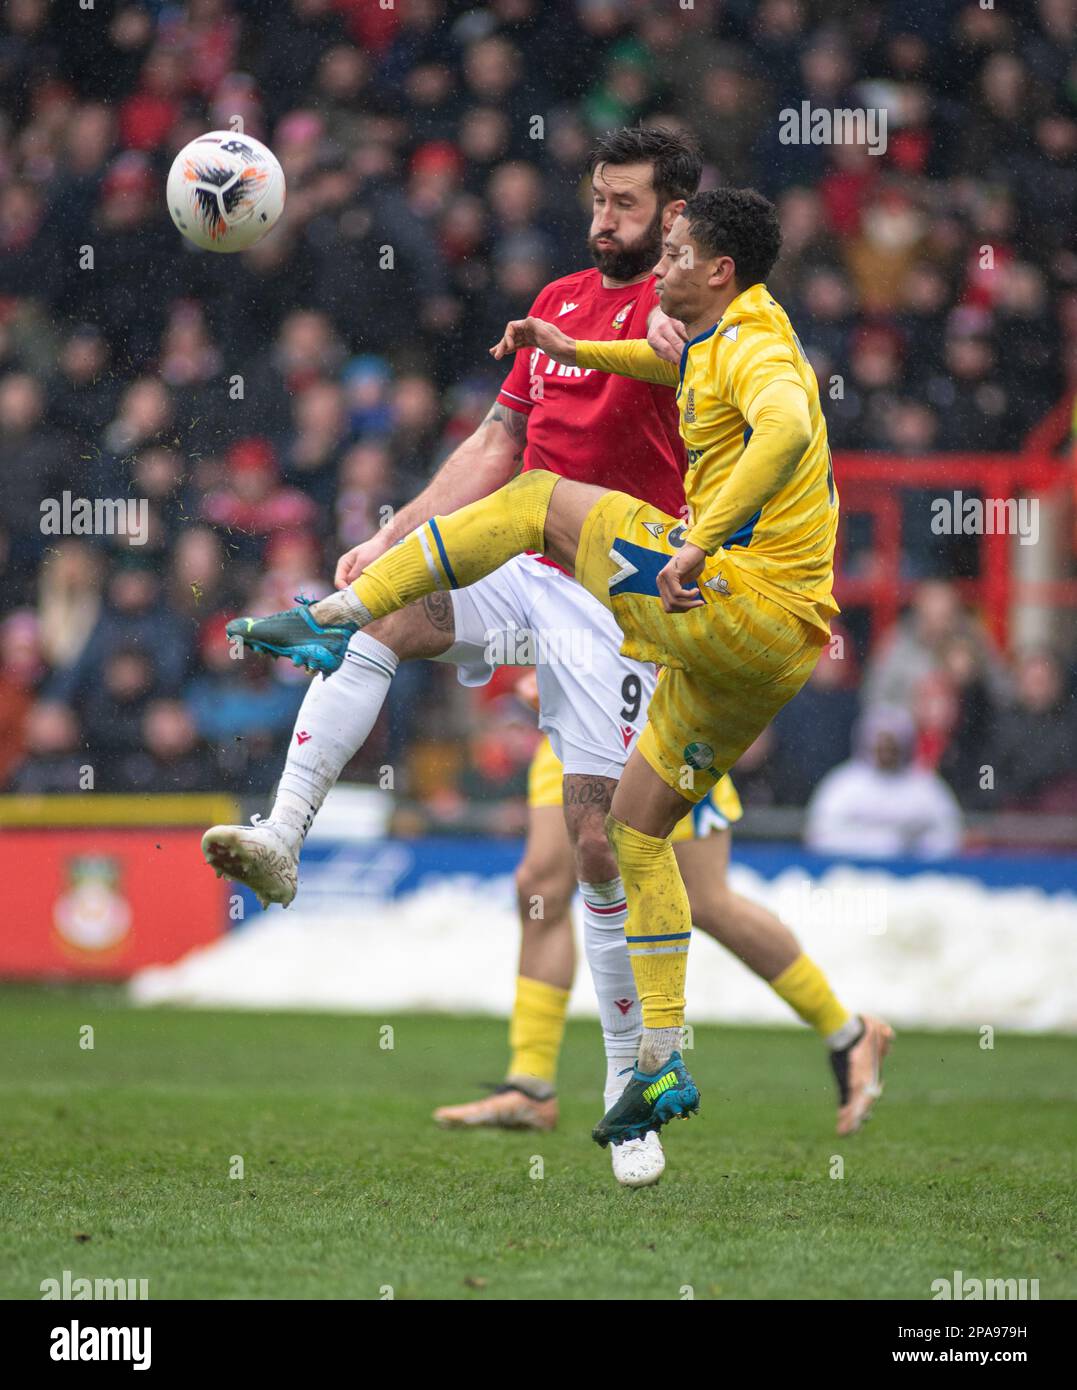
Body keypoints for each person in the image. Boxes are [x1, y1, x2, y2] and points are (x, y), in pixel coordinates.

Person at [207, 166, 892, 1161]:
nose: (621, 233)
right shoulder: (623, 316)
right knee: (623, 836)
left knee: (540, 511)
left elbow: (781, 421)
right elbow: (512, 431)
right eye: (602, 204)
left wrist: (702, 543)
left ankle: (814, 1033)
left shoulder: (733, 333)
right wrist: (572, 348)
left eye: (646, 224)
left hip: (681, 599)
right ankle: (648, 1068)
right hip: (721, 638)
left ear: (693, 241)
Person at [805, 705, 963, 858]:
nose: (887, 749)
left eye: (893, 743)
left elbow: (949, 835)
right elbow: (820, 835)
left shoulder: (926, 786)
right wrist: (873, 844)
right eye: (881, 742)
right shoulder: (843, 785)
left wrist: (910, 848)